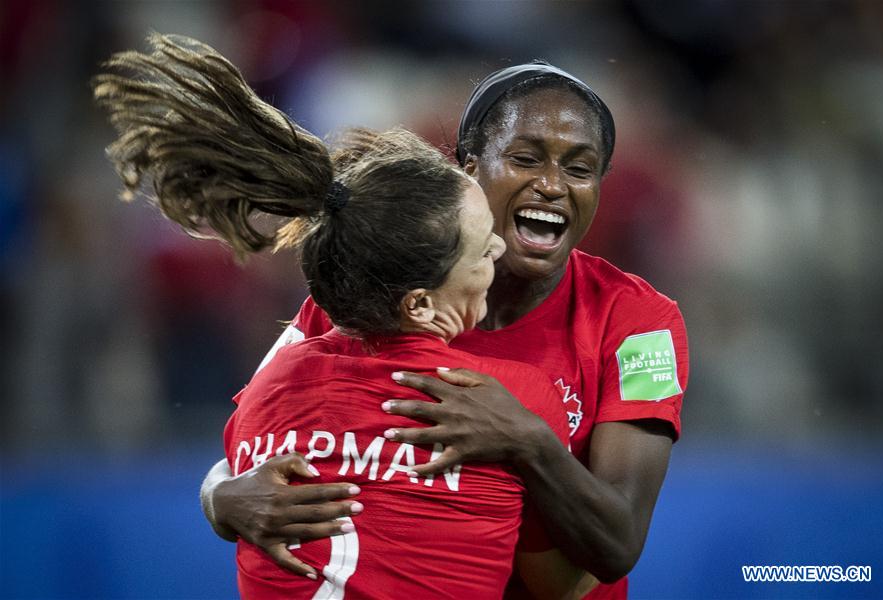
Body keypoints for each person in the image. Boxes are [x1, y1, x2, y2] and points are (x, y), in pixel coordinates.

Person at [93, 34, 576, 599]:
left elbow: (234, 465)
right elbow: (568, 583)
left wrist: (219, 497)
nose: (498, 250)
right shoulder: (514, 399)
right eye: (480, 248)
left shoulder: (264, 392)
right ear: (419, 304)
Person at [201, 62, 689, 598]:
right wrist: (221, 499)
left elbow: (618, 544)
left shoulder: (641, 324)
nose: (552, 185)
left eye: (580, 169)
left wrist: (527, 441)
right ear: (469, 166)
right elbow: (254, 441)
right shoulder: (375, 288)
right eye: (525, 159)